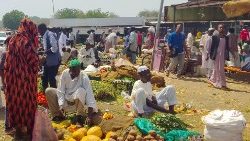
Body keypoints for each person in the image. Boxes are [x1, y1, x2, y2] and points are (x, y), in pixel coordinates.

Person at [4, 18, 39, 140]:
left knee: (16, 105)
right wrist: (40, 60)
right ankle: (26, 133)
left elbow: (7, 60)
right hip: (24, 82)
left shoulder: (12, 40)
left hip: (12, 81)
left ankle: (18, 132)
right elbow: (34, 62)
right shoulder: (26, 42)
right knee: (26, 106)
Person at [45, 59, 98, 125]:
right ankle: (57, 115)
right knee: (49, 91)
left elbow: (90, 95)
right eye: (74, 71)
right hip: (65, 100)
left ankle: (79, 116)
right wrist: (61, 105)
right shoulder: (65, 73)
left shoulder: (84, 76)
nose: (76, 73)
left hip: (76, 103)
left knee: (81, 91)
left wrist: (89, 116)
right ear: (69, 69)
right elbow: (60, 90)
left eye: (78, 71)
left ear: (80, 69)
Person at [209, 24, 235, 89]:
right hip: (216, 56)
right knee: (219, 69)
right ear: (218, 29)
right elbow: (212, 47)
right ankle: (221, 84)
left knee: (219, 69)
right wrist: (211, 55)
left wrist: (233, 54)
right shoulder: (215, 37)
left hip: (222, 56)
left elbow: (228, 47)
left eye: (223, 28)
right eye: (220, 28)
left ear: (224, 29)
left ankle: (213, 80)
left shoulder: (226, 37)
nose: (221, 29)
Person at [38, 23, 61, 91]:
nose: (39, 33)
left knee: (51, 79)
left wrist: (44, 52)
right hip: (48, 61)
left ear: (42, 29)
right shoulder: (45, 35)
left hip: (53, 62)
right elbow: (47, 47)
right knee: (44, 77)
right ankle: (45, 94)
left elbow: (54, 48)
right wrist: (42, 50)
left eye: (39, 31)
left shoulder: (50, 34)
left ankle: (53, 95)